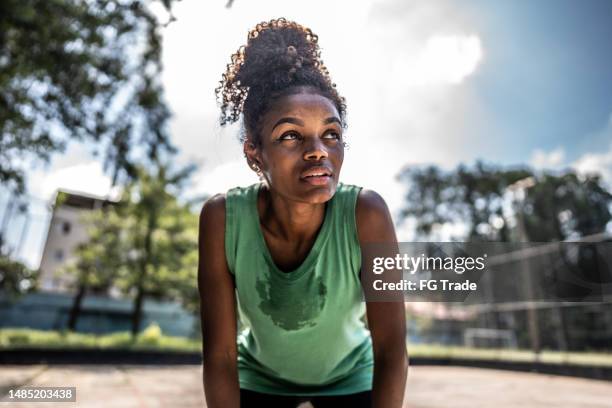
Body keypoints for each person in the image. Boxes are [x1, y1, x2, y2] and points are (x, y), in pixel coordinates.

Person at [198, 18, 408, 408]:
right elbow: (221, 356)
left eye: (331, 134)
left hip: (351, 376)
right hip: (260, 377)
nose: (318, 151)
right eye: (291, 135)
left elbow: (393, 349)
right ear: (254, 153)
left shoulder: (367, 214)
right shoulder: (222, 218)